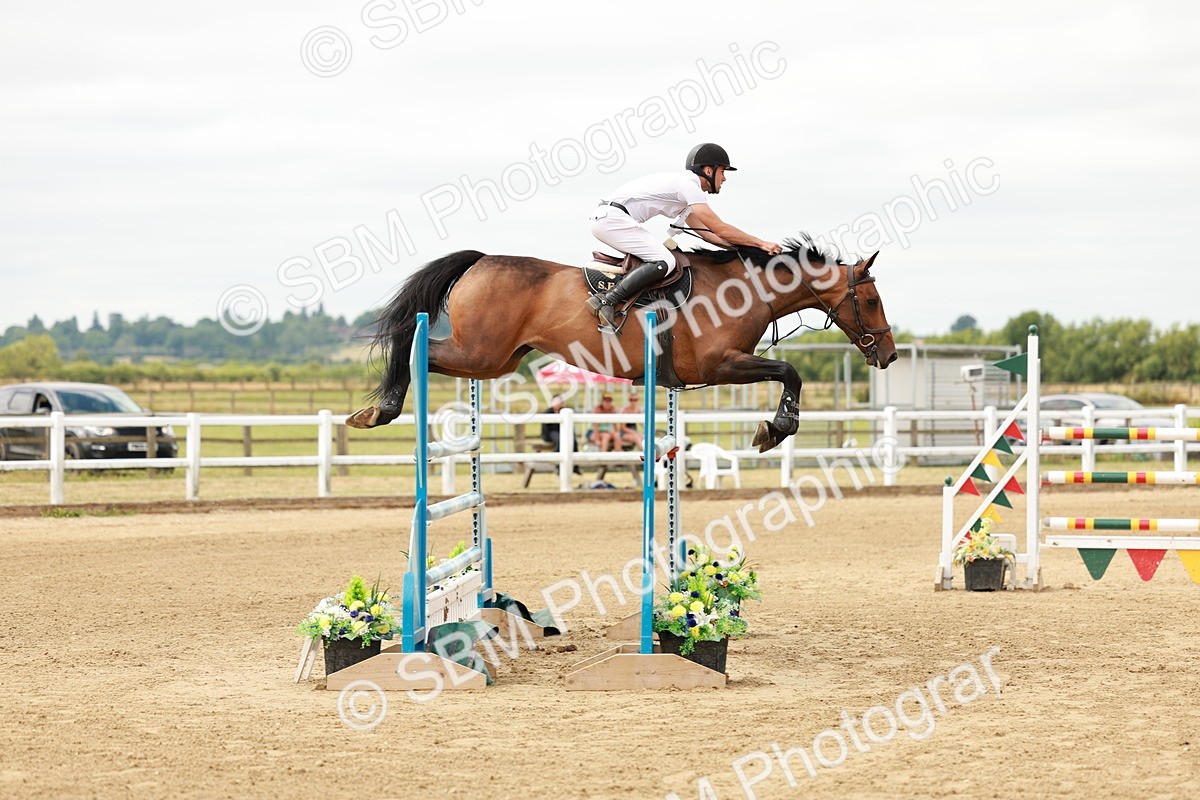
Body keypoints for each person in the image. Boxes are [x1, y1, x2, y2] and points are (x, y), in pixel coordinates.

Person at [586, 142, 784, 330]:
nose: (724, 178)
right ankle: (606, 300)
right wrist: (761, 243)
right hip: (613, 220)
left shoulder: (685, 191)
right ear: (709, 170)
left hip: (610, 219)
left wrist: (744, 249)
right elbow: (719, 228)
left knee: (663, 259)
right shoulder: (689, 186)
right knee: (665, 261)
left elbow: (707, 234)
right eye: (723, 171)